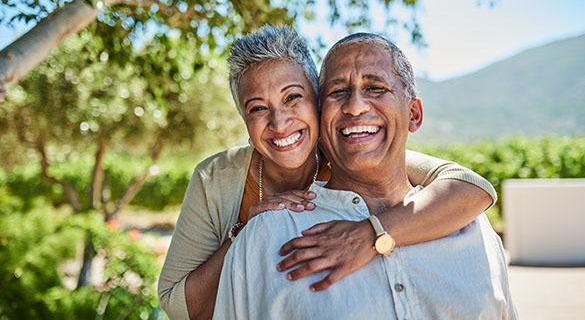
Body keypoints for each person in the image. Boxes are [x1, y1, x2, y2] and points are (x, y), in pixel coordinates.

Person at [158, 26, 498, 320]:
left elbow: (471, 188)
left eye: (293, 97)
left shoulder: (355, 148)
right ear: (246, 126)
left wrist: (371, 235)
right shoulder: (219, 181)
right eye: (258, 108)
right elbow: (180, 306)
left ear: (317, 105)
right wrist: (243, 232)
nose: (279, 122)